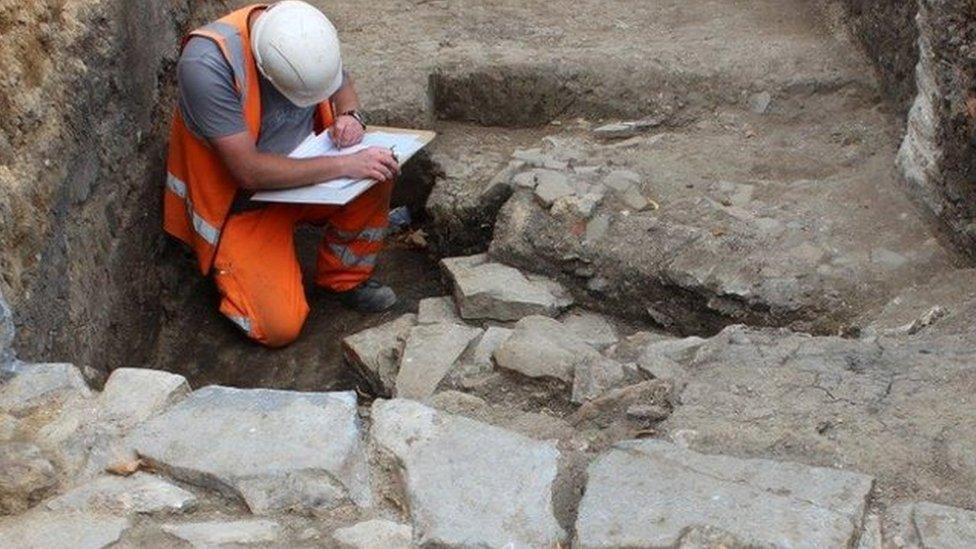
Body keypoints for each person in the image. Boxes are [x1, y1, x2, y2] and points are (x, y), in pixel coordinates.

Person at [163, 1, 401, 348]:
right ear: (265, 68)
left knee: (379, 171)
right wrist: (345, 164)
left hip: (306, 180)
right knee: (278, 328)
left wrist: (350, 116)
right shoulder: (207, 65)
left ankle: (343, 278)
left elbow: (341, 86)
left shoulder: (303, 32)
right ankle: (234, 278)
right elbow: (248, 172)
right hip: (244, 205)